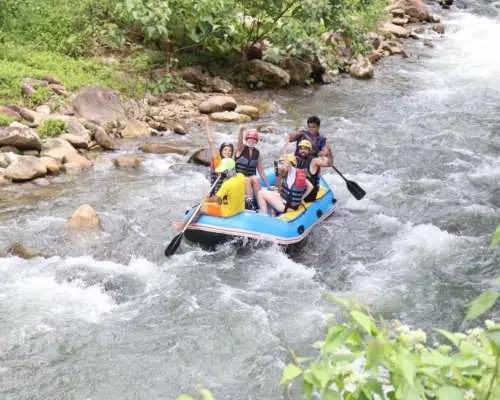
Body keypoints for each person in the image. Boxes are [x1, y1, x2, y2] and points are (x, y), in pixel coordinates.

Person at [170, 158, 245, 232]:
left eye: (224, 171)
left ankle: (181, 227)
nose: (223, 173)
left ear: (230, 170)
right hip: (239, 209)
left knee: (199, 208)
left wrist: (206, 199)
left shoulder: (226, 184)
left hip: (226, 212)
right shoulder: (241, 176)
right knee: (209, 203)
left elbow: (216, 200)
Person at [235, 127, 270, 209]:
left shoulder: (257, 153)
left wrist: (268, 185)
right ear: (246, 140)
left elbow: (261, 170)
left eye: (254, 140)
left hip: (250, 176)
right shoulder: (241, 149)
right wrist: (241, 131)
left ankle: (259, 203)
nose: (251, 142)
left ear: (256, 142)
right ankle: (249, 202)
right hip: (239, 176)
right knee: (247, 179)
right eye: (249, 140)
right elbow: (239, 141)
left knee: (255, 178)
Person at [205, 116, 234, 193]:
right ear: (221, 151)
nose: (227, 152)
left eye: (229, 150)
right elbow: (210, 141)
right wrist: (207, 125)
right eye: (225, 150)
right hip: (216, 192)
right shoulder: (217, 159)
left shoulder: (231, 162)